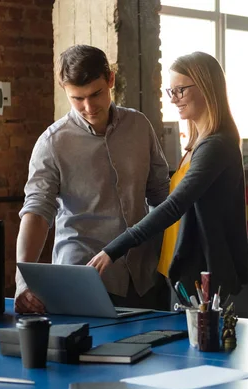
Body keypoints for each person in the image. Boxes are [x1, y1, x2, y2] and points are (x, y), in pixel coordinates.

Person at [15, 44, 171, 313]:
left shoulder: (139, 126)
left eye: (96, 94)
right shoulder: (52, 143)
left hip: (144, 277)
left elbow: (162, 197)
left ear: (110, 79)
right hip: (82, 281)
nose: (88, 107)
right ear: (65, 90)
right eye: (77, 98)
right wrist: (21, 282)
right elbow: (37, 213)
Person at [88, 51, 248, 300]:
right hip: (177, 273)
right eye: (171, 91)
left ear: (206, 87)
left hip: (203, 280)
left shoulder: (217, 146)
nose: (174, 99)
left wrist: (113, 250)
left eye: (180, 90)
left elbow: (174, 206)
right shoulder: (197, 145)